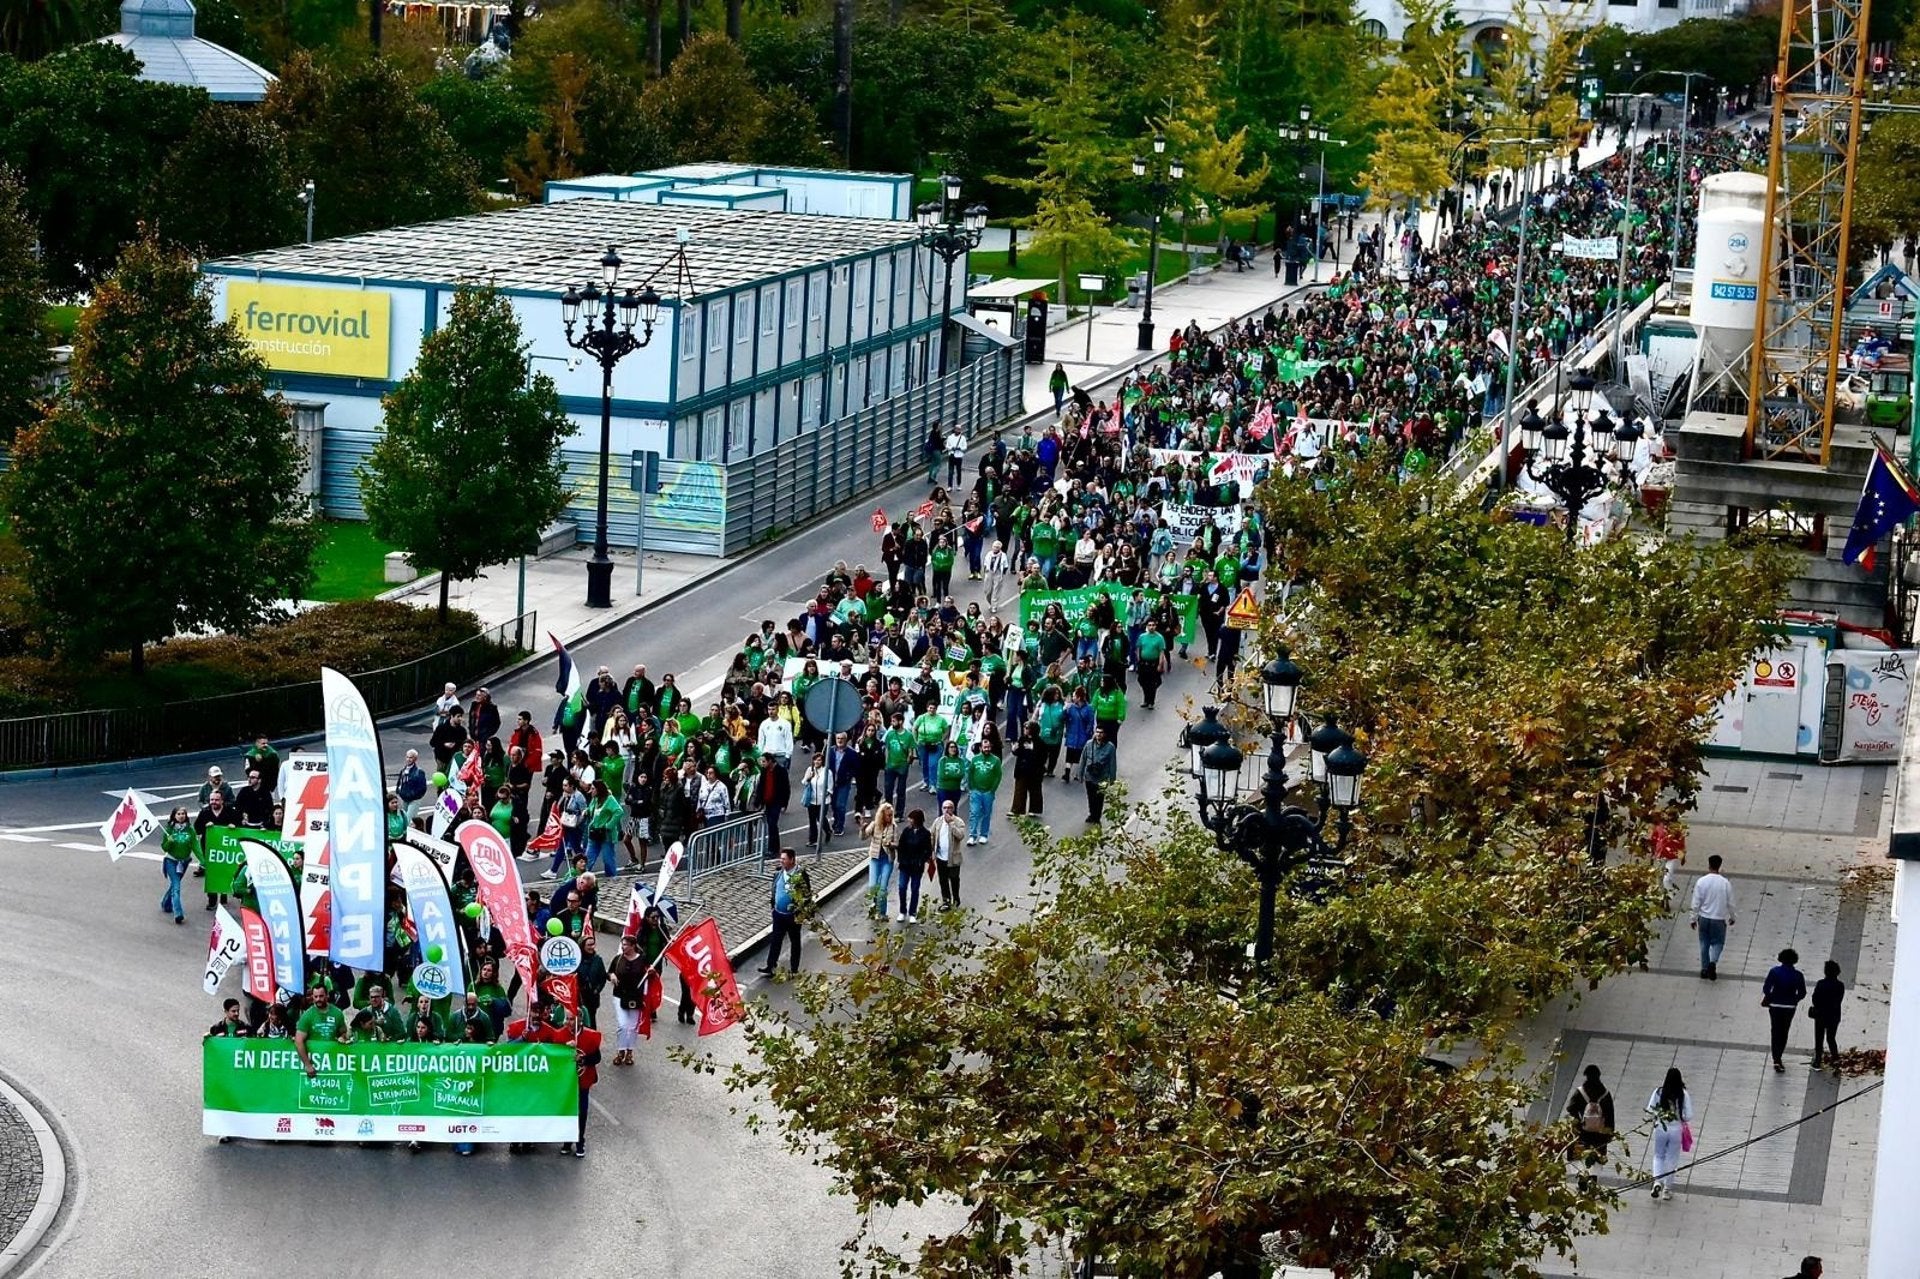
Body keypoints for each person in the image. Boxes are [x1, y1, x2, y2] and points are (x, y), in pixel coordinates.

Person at [758, 847, 810, 976]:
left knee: (795, 942)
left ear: (792, 860)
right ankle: (770, 966)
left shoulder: (800, 875)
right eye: (781, 859)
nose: (781, 861)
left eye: (784, 859)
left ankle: (794, 969)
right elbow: (774, 890)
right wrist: (773, 907)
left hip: (793, 916)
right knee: (776, 940)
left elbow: (807, 894)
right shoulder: (778, 874)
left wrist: (801, 911)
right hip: (778, 914)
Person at [1644, 1067, 1693, 1199]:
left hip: (1661, 1127)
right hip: (1676, 1129)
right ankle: (1667, 1189)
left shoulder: (1659, 1092)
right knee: (1672, 1158)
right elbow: (1688, 1115)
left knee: (1658, 1155)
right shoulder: (1683, 1094)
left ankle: (1657, 1181)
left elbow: (1650, 1109)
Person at [1689, 854, 1736, 979]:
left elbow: (1696, 902)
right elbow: (1730, 903)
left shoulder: (1701, 881)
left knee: (1704, 942)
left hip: (1703, 917)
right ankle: (1712, 962)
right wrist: (1732, 917)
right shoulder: (1725, 883)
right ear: (1719, 866)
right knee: (1718, 943)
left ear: (1709, 865)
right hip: (1719, 918)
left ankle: (1704, 969)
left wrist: (1693, 918)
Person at [1763, 947, 1808, 1072]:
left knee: (1775, 1030)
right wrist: (1794, 1000)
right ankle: (1779, 1055)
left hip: (1775, 1005)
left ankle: (1776, 1058)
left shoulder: (1774, 972)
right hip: (1789, 1007)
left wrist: (1771, 998)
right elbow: (1802, 992)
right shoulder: (1798, 975)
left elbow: (1766, 988)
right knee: (1784, 1031)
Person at [608, 934, 649, 1066]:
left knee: (632, 1027)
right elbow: (609, 972)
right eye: (622, 944)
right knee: (622, 1025)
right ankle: (620, 1051)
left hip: (635, 997)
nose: (623, 947)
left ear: (632, 946)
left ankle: (629, 1051)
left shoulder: (642, 960)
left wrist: (652, 972)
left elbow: (650, 975)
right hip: (620, 995)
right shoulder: (618, 959)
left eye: (625, 945)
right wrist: (612, 975)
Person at [294, 984, 348, 1079]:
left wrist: (343, 1037)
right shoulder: (307, 1016)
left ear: (327, 995)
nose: (318, 999)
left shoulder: (337, 1013)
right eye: (316, 996)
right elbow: (298, 1041)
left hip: (332, 1062)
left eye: (321, 996)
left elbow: (344, 1033)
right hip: (315, 1063)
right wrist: (307, 1064)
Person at [1564, 1063, 1614, 1163]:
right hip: (1600, 1134)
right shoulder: (1606, 1094)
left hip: (1583, 1132)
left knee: (1581, 1160)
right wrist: (1610, 1134)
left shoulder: (1580, 1092)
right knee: (1596, 1161)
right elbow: (1610, 1115)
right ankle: (1593, 1178)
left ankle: (1583, 1177)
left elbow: (1570, 1108)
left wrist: (1579, 1119)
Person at [895, 808, 932, 923]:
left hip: (917, 866)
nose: (909, 820)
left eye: (911, 818)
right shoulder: (906, 831)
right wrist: (901, 859)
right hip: (905, 865)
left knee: (915, 889)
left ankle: (912, 912)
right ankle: (902, 911)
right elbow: (901, 846)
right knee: (902, 887)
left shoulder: (925, 834)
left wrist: (921, 860)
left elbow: (928, 850)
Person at [863, 802, 899, 920]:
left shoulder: (893, 827)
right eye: (888, 815)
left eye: (891, 815)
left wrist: (891, 844)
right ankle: (874, 906)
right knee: (873, 886)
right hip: (875, 859)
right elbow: (864, 836)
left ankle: (882, 913)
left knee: (882, 887)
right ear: (882, 815)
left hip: (887, 860)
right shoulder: (874, 825)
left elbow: (897, 843)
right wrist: (862, 829)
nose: (890, 817)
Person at [160, 805, 194, 923]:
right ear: (174, 816)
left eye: (183, 814)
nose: (181, 816)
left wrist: (203, 861)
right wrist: (169, 842)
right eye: (178, 814)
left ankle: (165, 903)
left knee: (175, 885)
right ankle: (178, 913)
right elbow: (164, 848)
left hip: (184, 862)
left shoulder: (190, 829)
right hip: (171, 861)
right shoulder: (169, 830)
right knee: (177, 886)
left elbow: (195, 846)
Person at [1810, 959, 1846, 1069]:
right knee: (1831, 1038)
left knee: (1819, 1038)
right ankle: (1835, 1058)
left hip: (1820, 1015)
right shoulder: (1840, 985)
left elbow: (1815, 999)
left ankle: (1817, 1060)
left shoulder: (1821, 984)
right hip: (1834, 1015)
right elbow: (1839, 1000)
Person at [965, 741, 1002, 845]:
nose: (987, 749)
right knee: (974, 812)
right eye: (985, 747)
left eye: (989, 747)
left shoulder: (996, 760)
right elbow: (970, 773)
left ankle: (983, 835)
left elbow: (998, 776)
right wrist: (971, 787)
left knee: (986, 813)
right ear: (981, 748)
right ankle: (972, 836)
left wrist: (992, 789)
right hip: (976, 791)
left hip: (988, 792)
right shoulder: (975, 759)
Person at [932, 799, 966, 909]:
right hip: (940, 857)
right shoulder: (938, 821)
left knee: (954, 878)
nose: (947, 810)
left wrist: (951, 823)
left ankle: (956, 898)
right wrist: (931, 851)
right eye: (944, 808)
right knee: (943, 879)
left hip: (953, 857)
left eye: (949, 807)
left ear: (953, 809)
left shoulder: (958, 821)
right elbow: (932, 836)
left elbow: (960, 836)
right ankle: (946, 900)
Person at [1082, 725, 1117, 825]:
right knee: (1091, 797)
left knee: (1099, 798)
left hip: (1102, 778)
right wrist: (1080, 774)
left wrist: (1112, 780)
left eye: (1101, 732)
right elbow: (1083, 759)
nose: (1098, 734)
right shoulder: (1089, 744)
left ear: (1105, 734)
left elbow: (1112, 764)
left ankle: (1097, 816)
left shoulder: (1110, 747)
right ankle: (1091, 814)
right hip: (1089, 776)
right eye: (1097, 732)